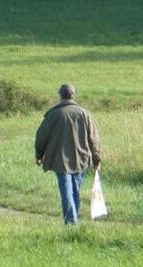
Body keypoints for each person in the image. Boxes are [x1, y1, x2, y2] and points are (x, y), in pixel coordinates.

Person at [35, 84, 101, 225]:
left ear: (61, 96)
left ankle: (71, 224)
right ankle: (72, 222)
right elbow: (94, 139)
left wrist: (39, 155)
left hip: (60, 160)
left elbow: (41, 136)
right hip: (81, 159)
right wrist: (96, 159)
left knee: (67, 193)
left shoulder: (54, 114)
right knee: (75, 192)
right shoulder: (84, 114)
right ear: (73, 95)